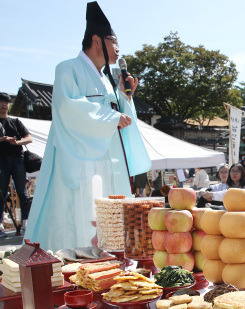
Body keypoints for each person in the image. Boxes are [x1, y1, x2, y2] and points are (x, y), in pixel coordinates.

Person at [25, 2, 150, 251]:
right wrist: (110, 117)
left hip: (110, 162)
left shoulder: (108, 80)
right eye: (114, 42)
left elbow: (122, 120)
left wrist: (126, 99)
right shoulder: (67, 68)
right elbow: (67, 107)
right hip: (81, 161)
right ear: (96, 40)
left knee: (110, 218)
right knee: (80, 218)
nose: (117, 49)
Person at [0, 93, 33, 237]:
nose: (4, 105)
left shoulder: (15, 121)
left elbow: (29, 138)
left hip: (18, 159)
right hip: (1, 160)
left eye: (6, 102)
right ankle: (0, 224)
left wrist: (16, 142)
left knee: (22, 192)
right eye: (1, 102)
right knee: (1, 193)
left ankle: (25, 222)